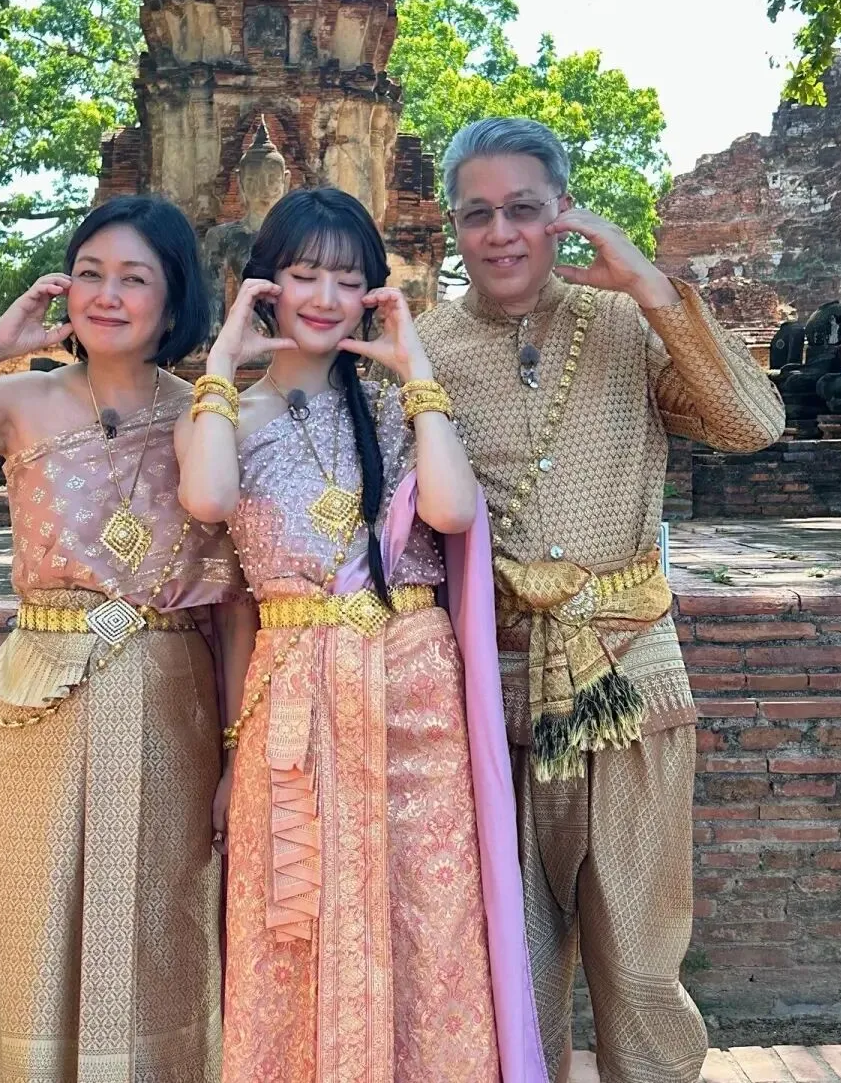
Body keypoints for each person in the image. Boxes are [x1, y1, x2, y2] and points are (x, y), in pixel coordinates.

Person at [415, 117, 786, 1083]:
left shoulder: (624, 323)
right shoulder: (427, 349)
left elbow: (754, 424)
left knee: (642, 963)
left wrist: (650, 286)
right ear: (453, 226)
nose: (501, 232)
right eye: (477, 214)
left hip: (631, 677)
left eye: (524, 208)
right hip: (497, 690)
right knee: (511, 966)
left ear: (564, 214)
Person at [0, 195, 249, 1083]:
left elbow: (232, 606)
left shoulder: (205, 414)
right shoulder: (22, 400)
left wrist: (234, 752)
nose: (108, 294)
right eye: (91, 273)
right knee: (39, 914)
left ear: (173, 297)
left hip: (169, 695)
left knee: (157, 915)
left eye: (134, 277)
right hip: (43, 694)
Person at [176, 186, 546, 1083]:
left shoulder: (395, 408)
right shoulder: (224, 415)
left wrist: (415, 369)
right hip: (295, 697)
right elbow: (209, 500)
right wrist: (224, 357)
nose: (325, 297)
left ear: (375, 294)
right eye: (305, 274)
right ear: (265, 284)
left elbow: (452, 510)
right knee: (296, 924)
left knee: (430, 918)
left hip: (415, 696)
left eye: (348, 280)